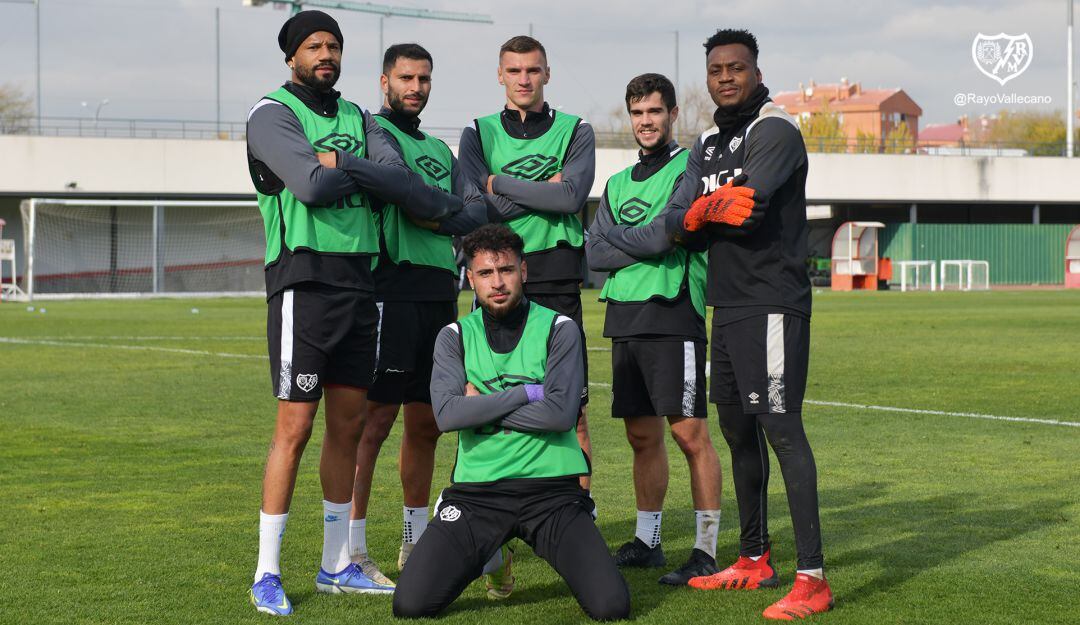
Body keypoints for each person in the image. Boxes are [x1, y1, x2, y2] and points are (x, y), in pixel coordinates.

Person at [603, 29, 833, 619]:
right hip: (725, 306)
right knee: (736, 430)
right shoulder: (707, 143)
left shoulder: (774, 129)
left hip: (772, 301)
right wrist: (698, 214)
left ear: (756, 72)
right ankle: (753, 557)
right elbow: (676, 221)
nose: (725, 77)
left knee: (781, 429)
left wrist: (700, 214)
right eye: (716, 70)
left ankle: (813, 578)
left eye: (736, 67)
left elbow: (746, 206)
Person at [245, 11, 464, 615]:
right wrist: (362, 177)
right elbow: (309, 188)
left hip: (360, 288)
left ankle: (336, 564)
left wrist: (341, 164)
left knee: (346, 428)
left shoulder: (359, 118)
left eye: (334, 46)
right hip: (303, 282)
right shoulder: (271, 113)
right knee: (295, 429)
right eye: (314, 45)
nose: (326, 54)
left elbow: (404, 185)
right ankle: (266, 571)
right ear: (292, 56)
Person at [391, 224, 630, 621]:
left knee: (612, 607)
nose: (497, 282)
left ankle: (503, 546)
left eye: (506, 270)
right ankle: (494, 554)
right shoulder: (453, 336)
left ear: (524, 270)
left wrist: (479, 404)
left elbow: (560, 415)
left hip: (551, 491)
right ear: (471, 279)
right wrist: (526, 393)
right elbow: (447, 416)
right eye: (485, 273)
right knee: (410, 604)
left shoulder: (560, 328)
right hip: (478, 493)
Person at [328, 43, 486, 586]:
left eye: (424, 79)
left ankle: (413, 542)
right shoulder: (374, 136)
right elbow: (408, 198)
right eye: (405, 78)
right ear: (384, 82)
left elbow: (474, 212)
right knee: (373, 424)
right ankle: (352, 549)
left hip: (440, 296)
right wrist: (435, 208)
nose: (415, 88)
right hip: (389, 292)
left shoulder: (440, 150)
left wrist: (434, 213)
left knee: (427, 423)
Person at [586, 73, 723, 586]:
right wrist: (642, 240)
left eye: (655, 112)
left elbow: (669, 234)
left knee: (689, 434)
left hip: (673, 313)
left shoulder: (690, 166)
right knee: (640, 435)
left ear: (672, 115)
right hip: (624, 317)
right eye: (638, 113)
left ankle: (706, 549)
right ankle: (648, 542)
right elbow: (594, 253)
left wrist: (628, 238)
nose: (646, 121)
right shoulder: (617, 183)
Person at [457, 35, 595, 499]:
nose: (524, 79)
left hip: (556, 275)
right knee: (484, 397)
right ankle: (488, 507)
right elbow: (478, 209)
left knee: (572, 410)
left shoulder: (576, 130)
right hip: (496, 276)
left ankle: (578, 509)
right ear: (500, 75)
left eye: (533, 70)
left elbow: (571, 198)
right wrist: (545, 190)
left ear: (547, 74)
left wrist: (499, 182)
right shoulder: (478, 132)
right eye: (514, 70)